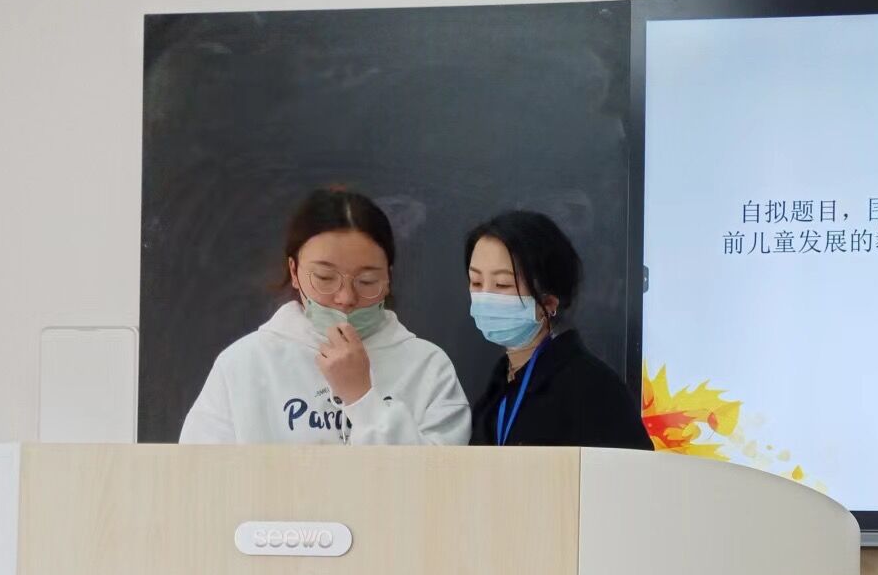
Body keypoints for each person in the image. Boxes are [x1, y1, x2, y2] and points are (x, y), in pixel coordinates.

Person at [180, 187, 471, 445]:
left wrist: (362, 397)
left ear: (388, 279)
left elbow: (440, 480)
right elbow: (199, 474)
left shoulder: (428, 367)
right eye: (324, 277)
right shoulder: (244, 364)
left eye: (367, 281)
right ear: (294, 272)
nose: (346, 298)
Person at [464, 211, 652, 449]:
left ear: (549, 302)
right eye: (476, 282)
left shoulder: (592, 389)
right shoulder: (498, 386)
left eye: (502, 284)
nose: (485, 296)